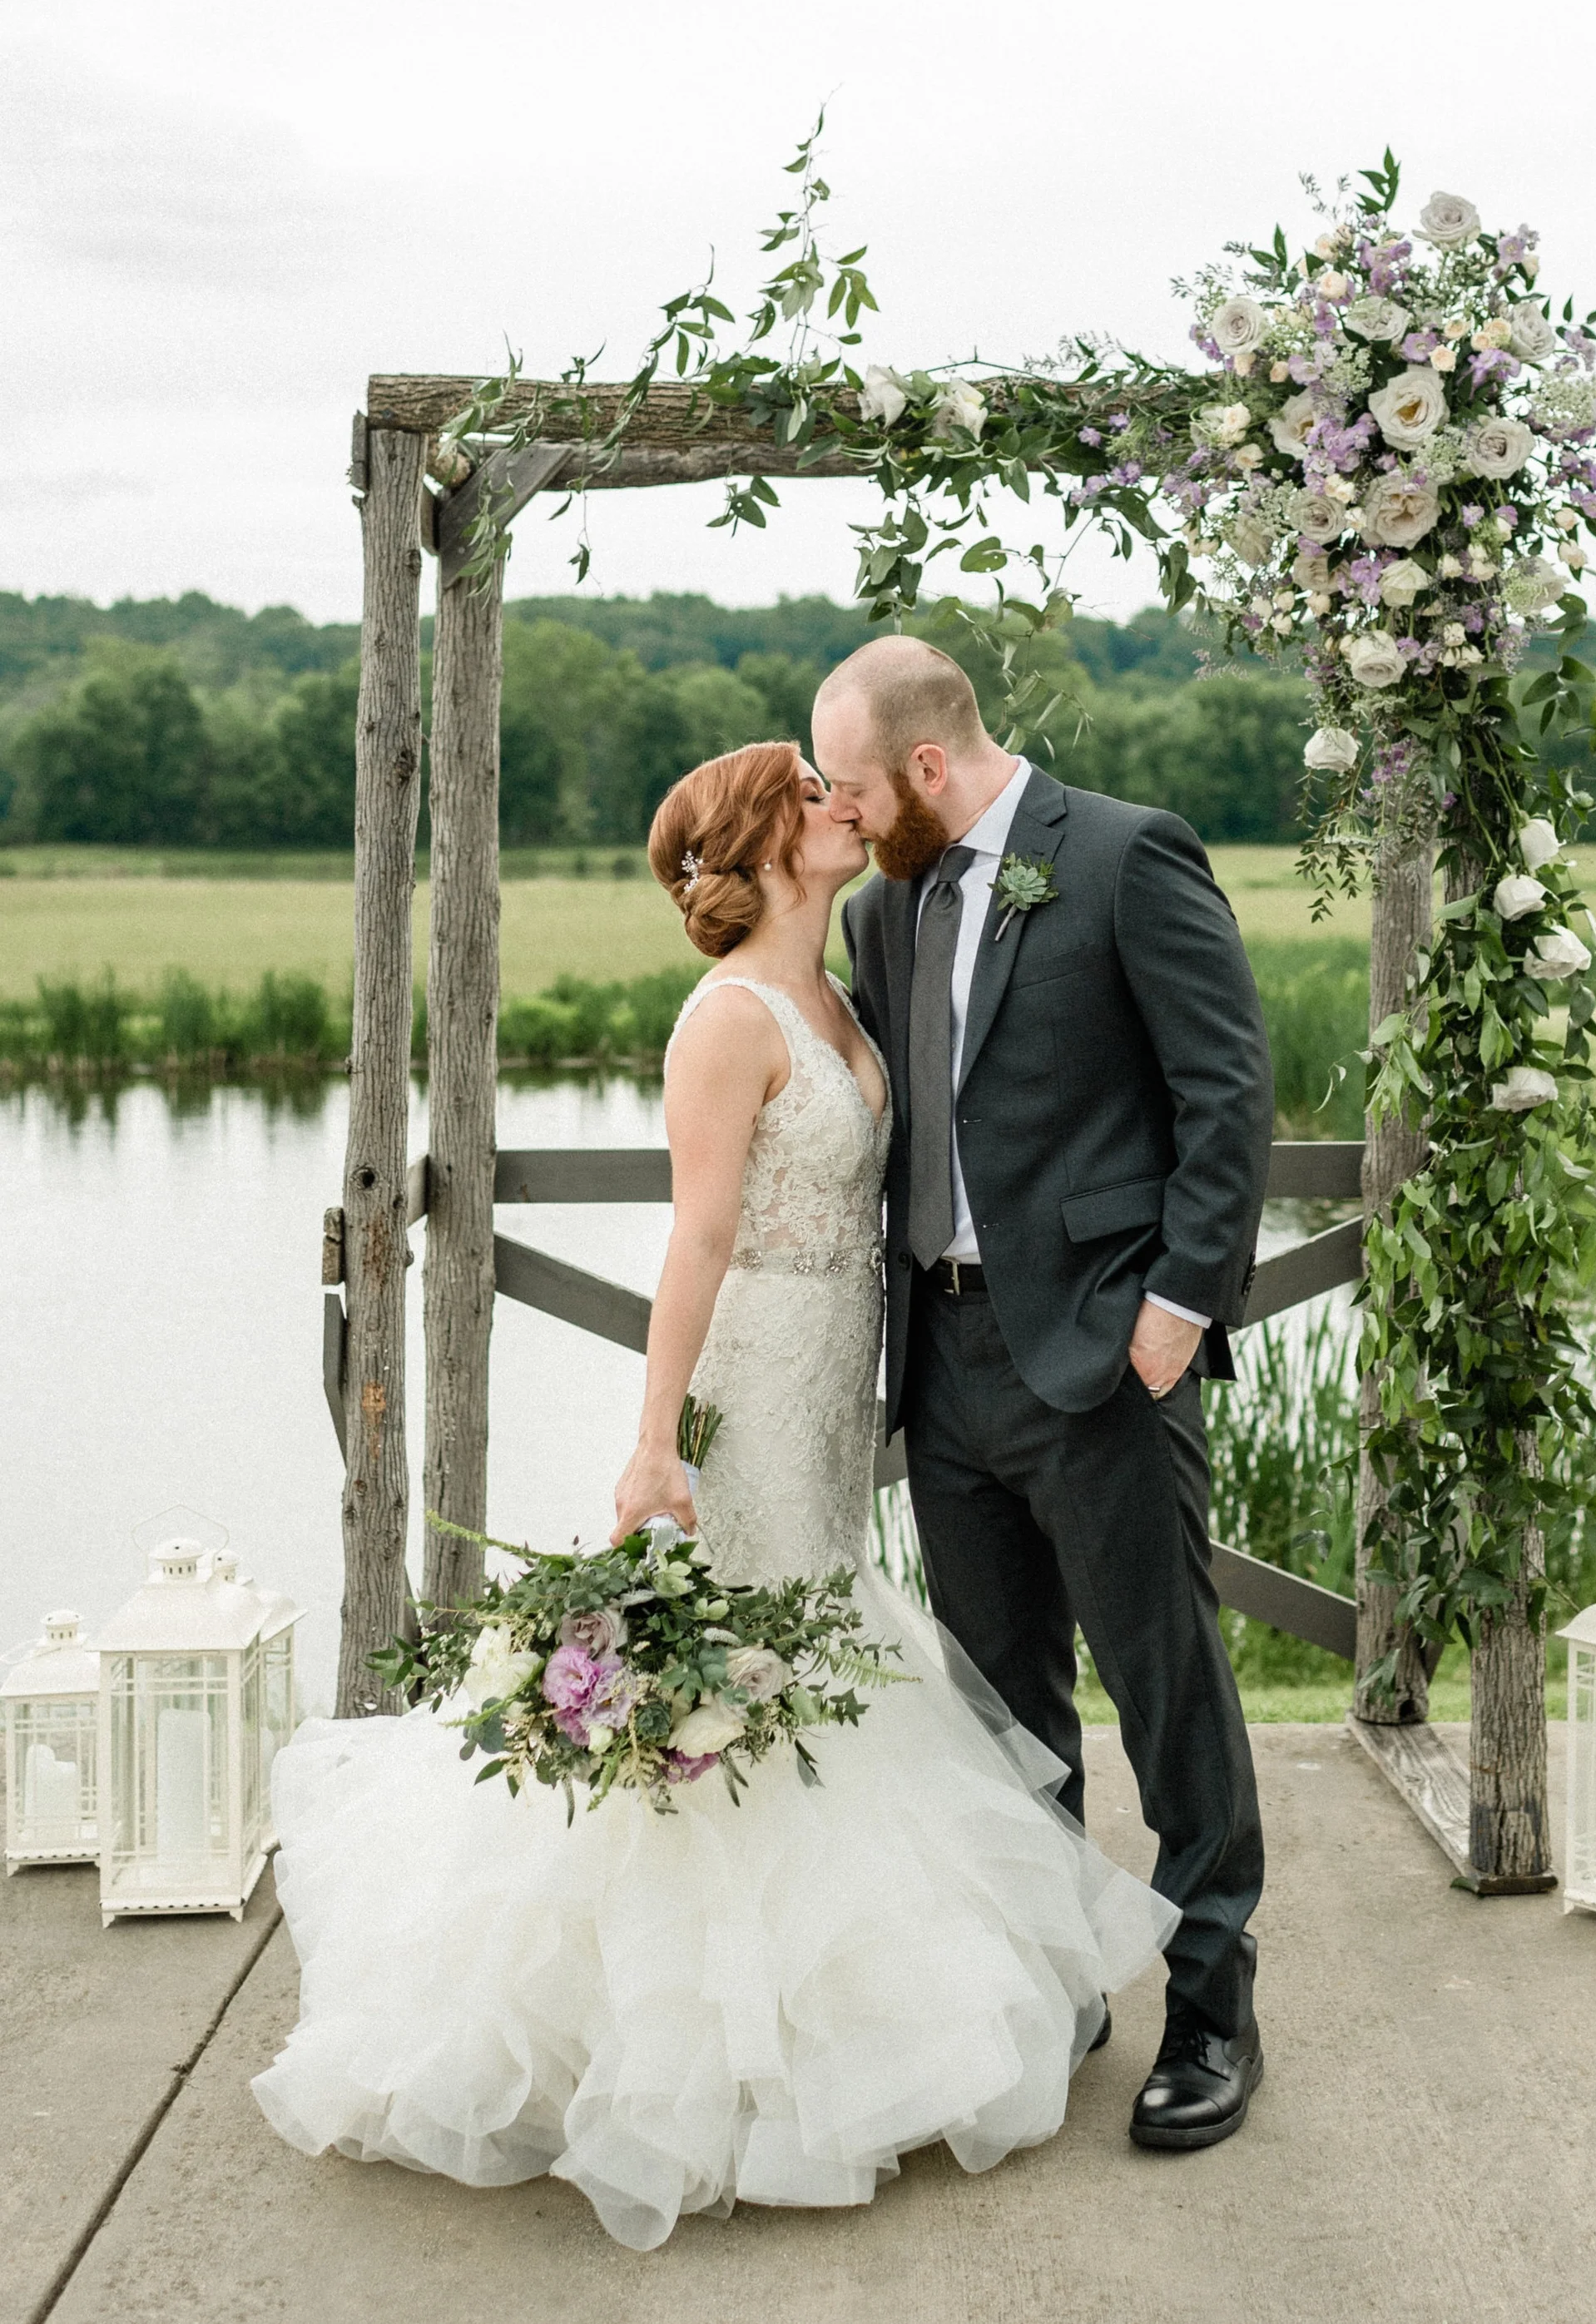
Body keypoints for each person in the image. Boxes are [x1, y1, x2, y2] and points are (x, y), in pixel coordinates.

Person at [252, 740, 1175, 2251]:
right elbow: (693, 1244)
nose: (842, 804)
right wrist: (653, 1440)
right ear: (765, 838)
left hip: (837, 1382)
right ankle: (710, 2051)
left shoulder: (845, 990)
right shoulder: (728, 1019)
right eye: (812, 793)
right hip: (752, 1372)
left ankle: (835, 2012)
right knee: (748, 1666)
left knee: (816, 1653)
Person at [812, 637, 1274, 2152]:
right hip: (943, 1369)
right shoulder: (885, 907)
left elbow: (1228, 1090)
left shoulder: (1128, 856)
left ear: (930, 769)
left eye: (861, 789)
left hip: (1101, 1356)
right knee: (1007, 1710)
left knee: (1166, 1688)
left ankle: (1210, 2006)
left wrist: (1177, 1309)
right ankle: (1053, 1982)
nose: (850, 815)